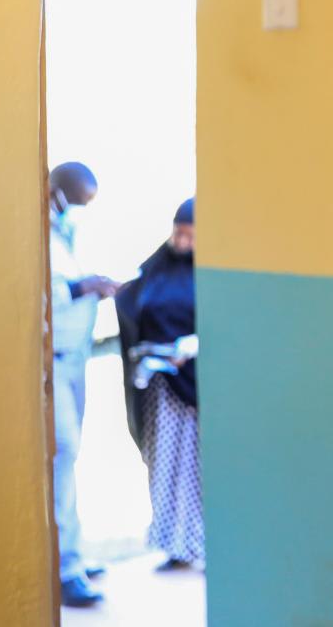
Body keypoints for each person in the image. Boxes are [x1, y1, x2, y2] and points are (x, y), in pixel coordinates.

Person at [115, 198, 204, 570]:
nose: (181, 242)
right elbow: (132, 301)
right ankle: (173, 545)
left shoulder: (209, 274)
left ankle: (199, 543)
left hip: (196, 386)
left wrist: (195, 344)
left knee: (197, 468)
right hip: (160, 389)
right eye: (177, 233)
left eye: (189, 236)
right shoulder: (156, 267)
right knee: (164, 467)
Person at [48, 162, 119, 608]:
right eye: (78, 203)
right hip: (50, 363)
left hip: (75, 359)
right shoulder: (37, 235)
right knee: (62, 457)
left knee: (70, 461)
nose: (81, 211)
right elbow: (42, 292)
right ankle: (65, 569)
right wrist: (82, 287)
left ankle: (72, 552)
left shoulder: (65, 234)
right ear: (57, 193)